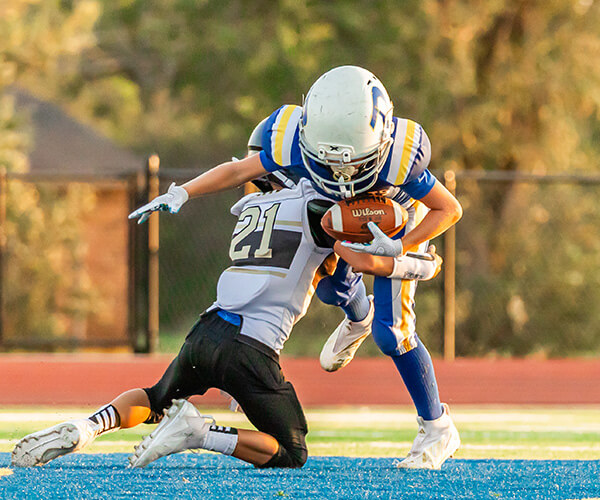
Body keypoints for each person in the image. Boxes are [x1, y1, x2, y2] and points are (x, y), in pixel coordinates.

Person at [127, 65, 462, 469]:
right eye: (329, 161)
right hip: (341, 217)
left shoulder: (399, 158)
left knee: (391, 334)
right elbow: (237, 171)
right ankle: (358, 317)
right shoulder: (291, 143)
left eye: (353, 162)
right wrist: (182, 192)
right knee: (328, 287)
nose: (341, 172)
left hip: (397, 218)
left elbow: (449, 208)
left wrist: (400, 249)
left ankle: (437, 427)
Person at [12, 158, 442, 470]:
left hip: (207, 329)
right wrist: (420, 264)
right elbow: (363, 262)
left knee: (156, 396)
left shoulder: (251, 205)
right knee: (292, 451)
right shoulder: (320, 211)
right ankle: (200, 434)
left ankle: (88, 427)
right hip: (251, 348)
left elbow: (241, 173)